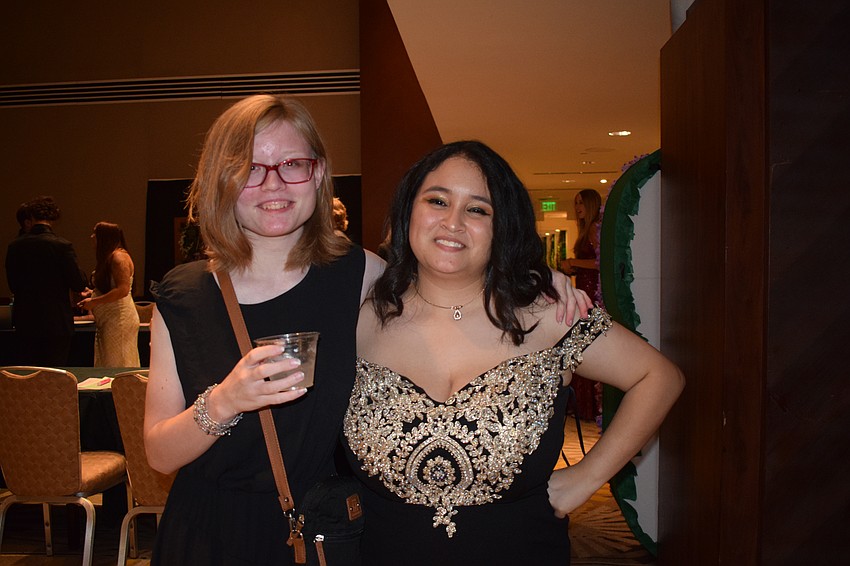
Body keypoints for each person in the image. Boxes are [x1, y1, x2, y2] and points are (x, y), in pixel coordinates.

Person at [143, 95, 588, 566]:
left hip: (322, 536)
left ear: (317, 174)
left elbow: (455, 275)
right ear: (222, 179)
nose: (273, 183)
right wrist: (226, 399)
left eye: (292, 163)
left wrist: (535, 279)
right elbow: (159, 453)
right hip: (208, 536)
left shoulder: (360, 276)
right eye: (251, 167)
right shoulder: (184, 296)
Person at [343, 141, 684, 565]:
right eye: (437, 200)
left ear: (502, 227)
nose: (453, 222)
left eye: (478, 210)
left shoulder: (548, 316)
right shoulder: (360, 312)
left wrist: (587, 477)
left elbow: (658, 377)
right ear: (408, 209)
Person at [4, 196, 88, 366]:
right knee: (54, 374)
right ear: (53, 219)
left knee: (29, 373)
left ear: (31, 219)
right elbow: (78, 283)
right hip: (56, 321)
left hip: (25, 320)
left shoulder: (15, 247)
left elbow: (12, 284)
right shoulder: (62, 246)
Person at [562, 188, 604, 421]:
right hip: (584, 290)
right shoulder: (585, 231)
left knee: (585, 345)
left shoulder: (594, 230)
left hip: (592, 294)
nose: (577, 207)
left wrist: (573, 262)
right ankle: (581, 405)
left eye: (581, 203)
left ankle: (588, 405)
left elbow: (600, 262)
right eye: (575, 202)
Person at [76, 221, 140, 367]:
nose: (92, 237)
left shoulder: (119, 257)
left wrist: (94, 302)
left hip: (119, 319)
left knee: (119, 362)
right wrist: (92, 293)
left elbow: (122, 290)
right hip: (108, 319)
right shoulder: (109, 257)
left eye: (95, 234)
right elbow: (111, 287)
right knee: (108, 361)